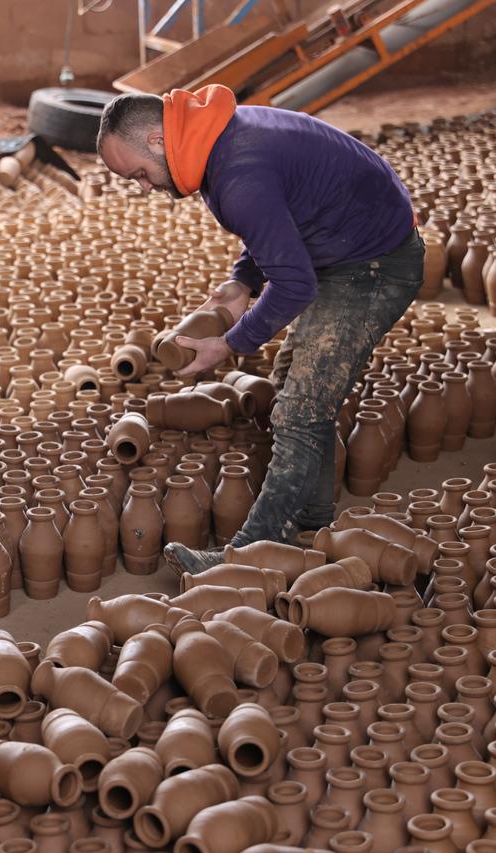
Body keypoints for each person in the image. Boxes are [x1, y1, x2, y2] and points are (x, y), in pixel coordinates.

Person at [95, 84, 423, 574]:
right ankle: (312, 523)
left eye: (140, 174)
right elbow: (284, 215)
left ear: (157, 141)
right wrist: (241, 281)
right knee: (294, 383)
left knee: (297, 409)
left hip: (374, 263)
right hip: (343, 244)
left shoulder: (237, 173)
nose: (144, 187)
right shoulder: (215, 138)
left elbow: (295, 285)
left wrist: (227, 345)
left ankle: (247, 555)